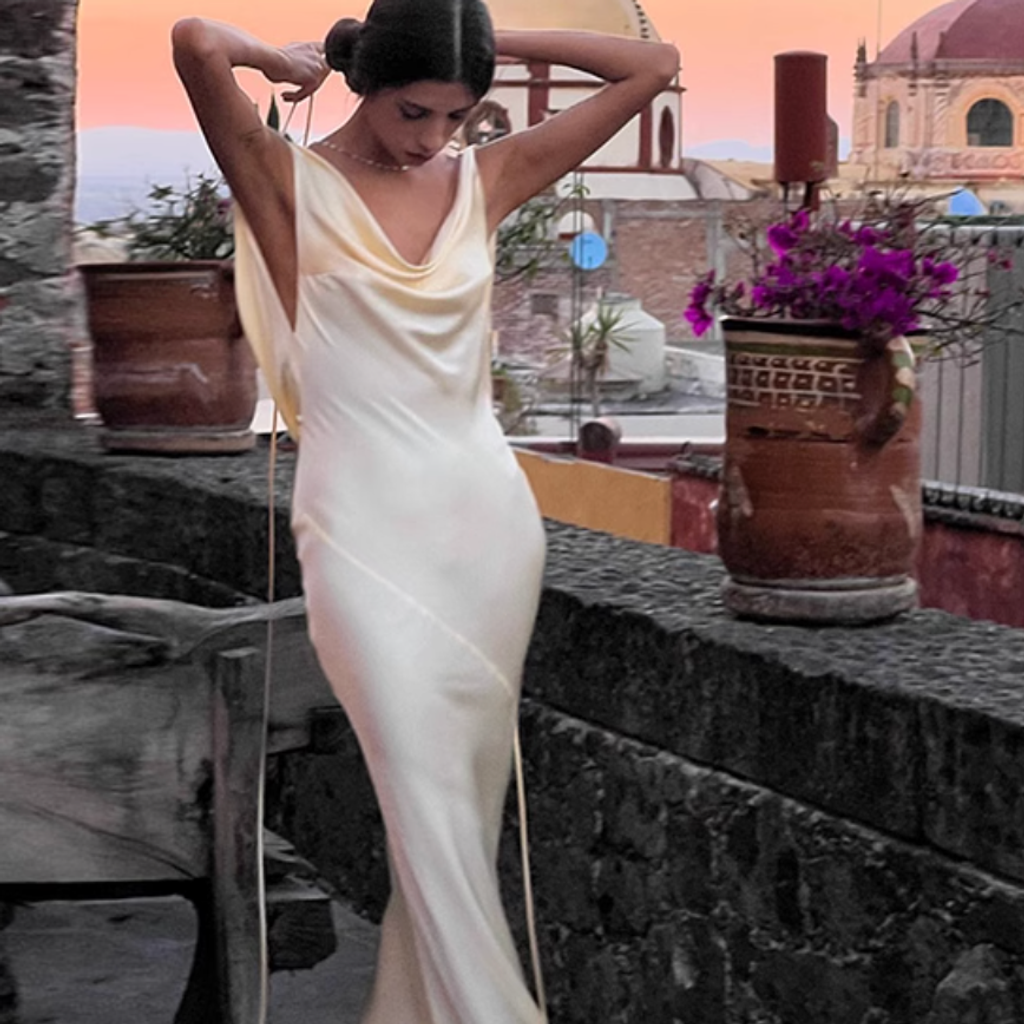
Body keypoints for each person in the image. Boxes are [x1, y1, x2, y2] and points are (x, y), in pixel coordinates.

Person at [171, 4, 678, 1022]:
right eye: (414, 110)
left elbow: (650, 67)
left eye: (458, 114)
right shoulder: (283, 179)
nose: (433, 136)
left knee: (457, 816)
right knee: (420, 800)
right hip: (357, 529)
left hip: (484, 528)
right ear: (370, 81)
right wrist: (293, 61)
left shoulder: (484, 179)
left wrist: (481, 45)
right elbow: (195, 42)